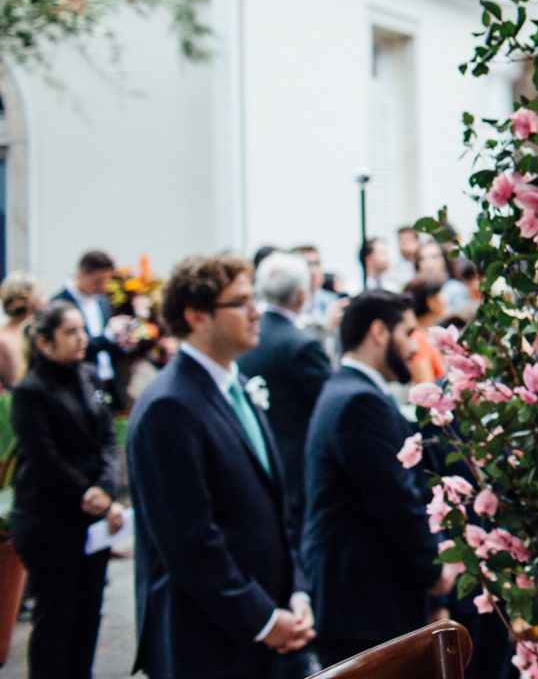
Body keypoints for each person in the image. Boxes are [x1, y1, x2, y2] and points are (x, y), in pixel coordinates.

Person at [127, 255, 312, 679]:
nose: (256, 312)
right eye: (241, 302)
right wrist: (263, 618)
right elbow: (189, 541)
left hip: (267, 620)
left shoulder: (237, 384)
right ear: (197, 317)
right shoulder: (169, 406)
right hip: (207, 638)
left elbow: (271, 506)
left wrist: (296, 591)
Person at [303, 291, 453, 666]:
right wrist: (433, 571)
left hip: (359, 597)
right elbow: (393, 498)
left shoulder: (349, 389)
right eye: (407, 333)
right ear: (379, 332)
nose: (415, 349)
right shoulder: (358, 400)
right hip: (365, 602)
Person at [10, 300, 124, 679]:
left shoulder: (89, 375)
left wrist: (105, 489)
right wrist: (86, 493)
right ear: (44, 343)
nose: (82, 339)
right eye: (71, 332)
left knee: (88, 611)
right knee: (56, 616)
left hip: (90, 516)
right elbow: (44, 457)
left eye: (82, 330)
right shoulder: (31, 391)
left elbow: (108, 439)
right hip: (48, 516)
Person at [237, 251, 334, 525]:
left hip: (256, 458)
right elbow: (329, 405)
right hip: (297, 466)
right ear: (302, 296)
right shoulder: (301, 344)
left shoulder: (246, 337)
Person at [53, 250, 128, 411]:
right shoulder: (60, 303)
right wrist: (108, 336)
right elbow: (69, 348)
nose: (103, 287)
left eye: (106, 281)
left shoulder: (102, 301)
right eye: (98, 281)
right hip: (78, 382)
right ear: (81, 273)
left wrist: (123, 340)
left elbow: (108, 346)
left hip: (108, 380)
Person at [0, 272, 44, 389]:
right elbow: (15, 381)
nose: (46, 299)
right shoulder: (9, 338)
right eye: (41, 294)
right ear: (30, 300)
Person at [403, 276, 448, 383]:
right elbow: (426, 387)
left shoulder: (426, 335)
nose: (445, 299)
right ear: (431, 302)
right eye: (441, 294)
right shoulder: (418, 340)